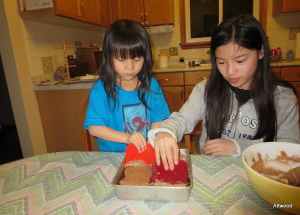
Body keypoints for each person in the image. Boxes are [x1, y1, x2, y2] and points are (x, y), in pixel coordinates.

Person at [148, 15, 300, 170]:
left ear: (260, 52)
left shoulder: (282, 98)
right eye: (221, 62)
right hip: (213, 171)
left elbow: (290, 149)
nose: (230, 71)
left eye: (240, 61)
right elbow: (182, 119)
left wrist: (239, 147)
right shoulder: (205, 90)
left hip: (261, 173)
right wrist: (166, 132)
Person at [84, 19, 170, 152]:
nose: (130, 67)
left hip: (145, 153)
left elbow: (158, 120)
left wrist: (150, 142)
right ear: (109, 57)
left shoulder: (152, 85)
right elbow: (94, 129)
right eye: (121, 59)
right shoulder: (101, 89)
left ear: (145, 57)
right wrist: (128, 138)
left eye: (137, 59)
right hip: (113, 158)